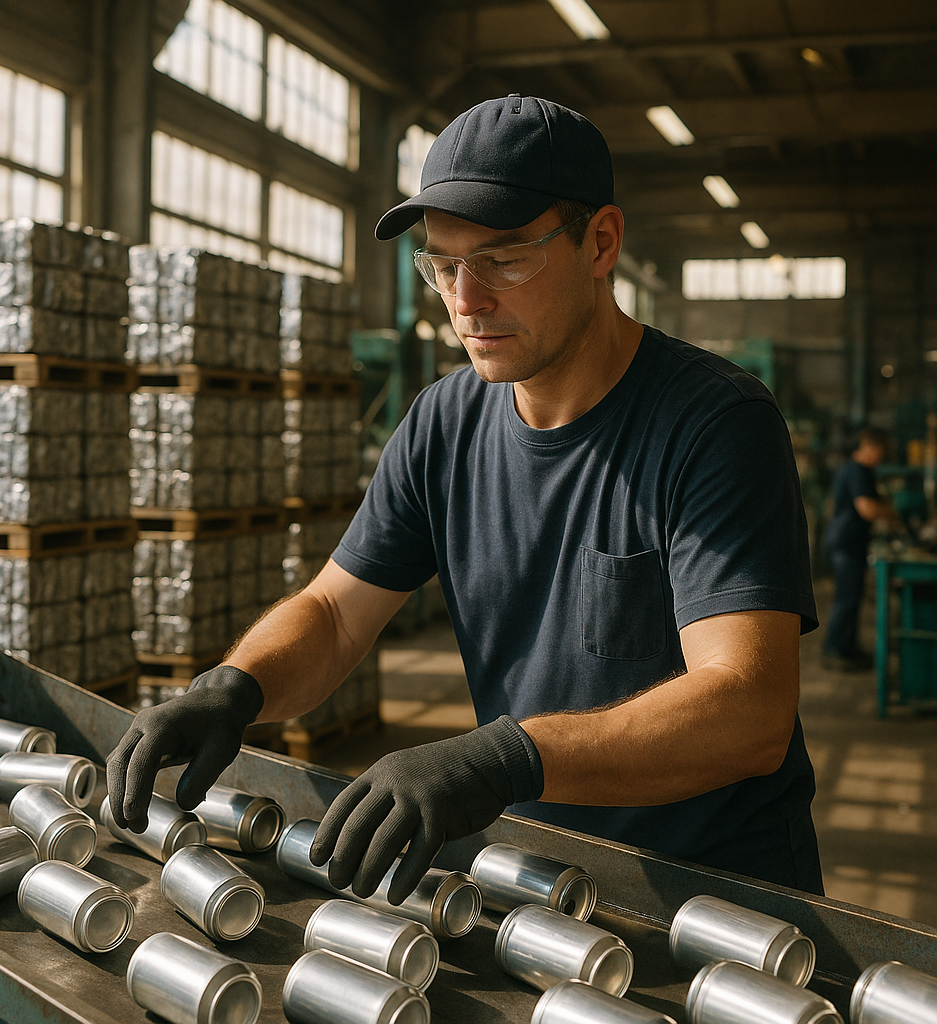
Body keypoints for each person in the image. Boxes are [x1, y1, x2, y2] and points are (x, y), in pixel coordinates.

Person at [107, 94, 823, 901]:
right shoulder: (444, 424)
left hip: (725, 903)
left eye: (503, 258)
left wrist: (501, 757)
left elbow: (748, 713)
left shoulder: (713, 425)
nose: (465, 301)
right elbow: (339, 614)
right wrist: (237, 685)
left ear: (601, 242)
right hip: (543, 882)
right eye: (443, 265)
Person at [821, 426, 893, 671]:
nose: (882, 458)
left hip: (851, 542)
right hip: (845, 542)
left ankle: (847, 648)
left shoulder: (862, 471)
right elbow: (867, 508)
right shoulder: (856, 471)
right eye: (881, 452)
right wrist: (892, 515)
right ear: (871, 448)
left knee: (852, 596)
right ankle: (833, 650)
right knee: (847, 597)